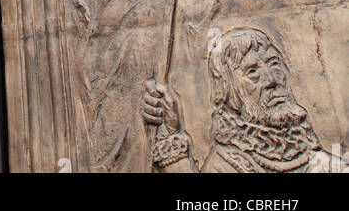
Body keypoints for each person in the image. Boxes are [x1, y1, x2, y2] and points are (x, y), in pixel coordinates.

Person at [142, 27, 340, 172]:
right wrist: (170, 138)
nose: (272, 80)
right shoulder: (227, 166)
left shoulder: (326, 164)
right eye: (252, 72)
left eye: (274, 65)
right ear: (229, 93)